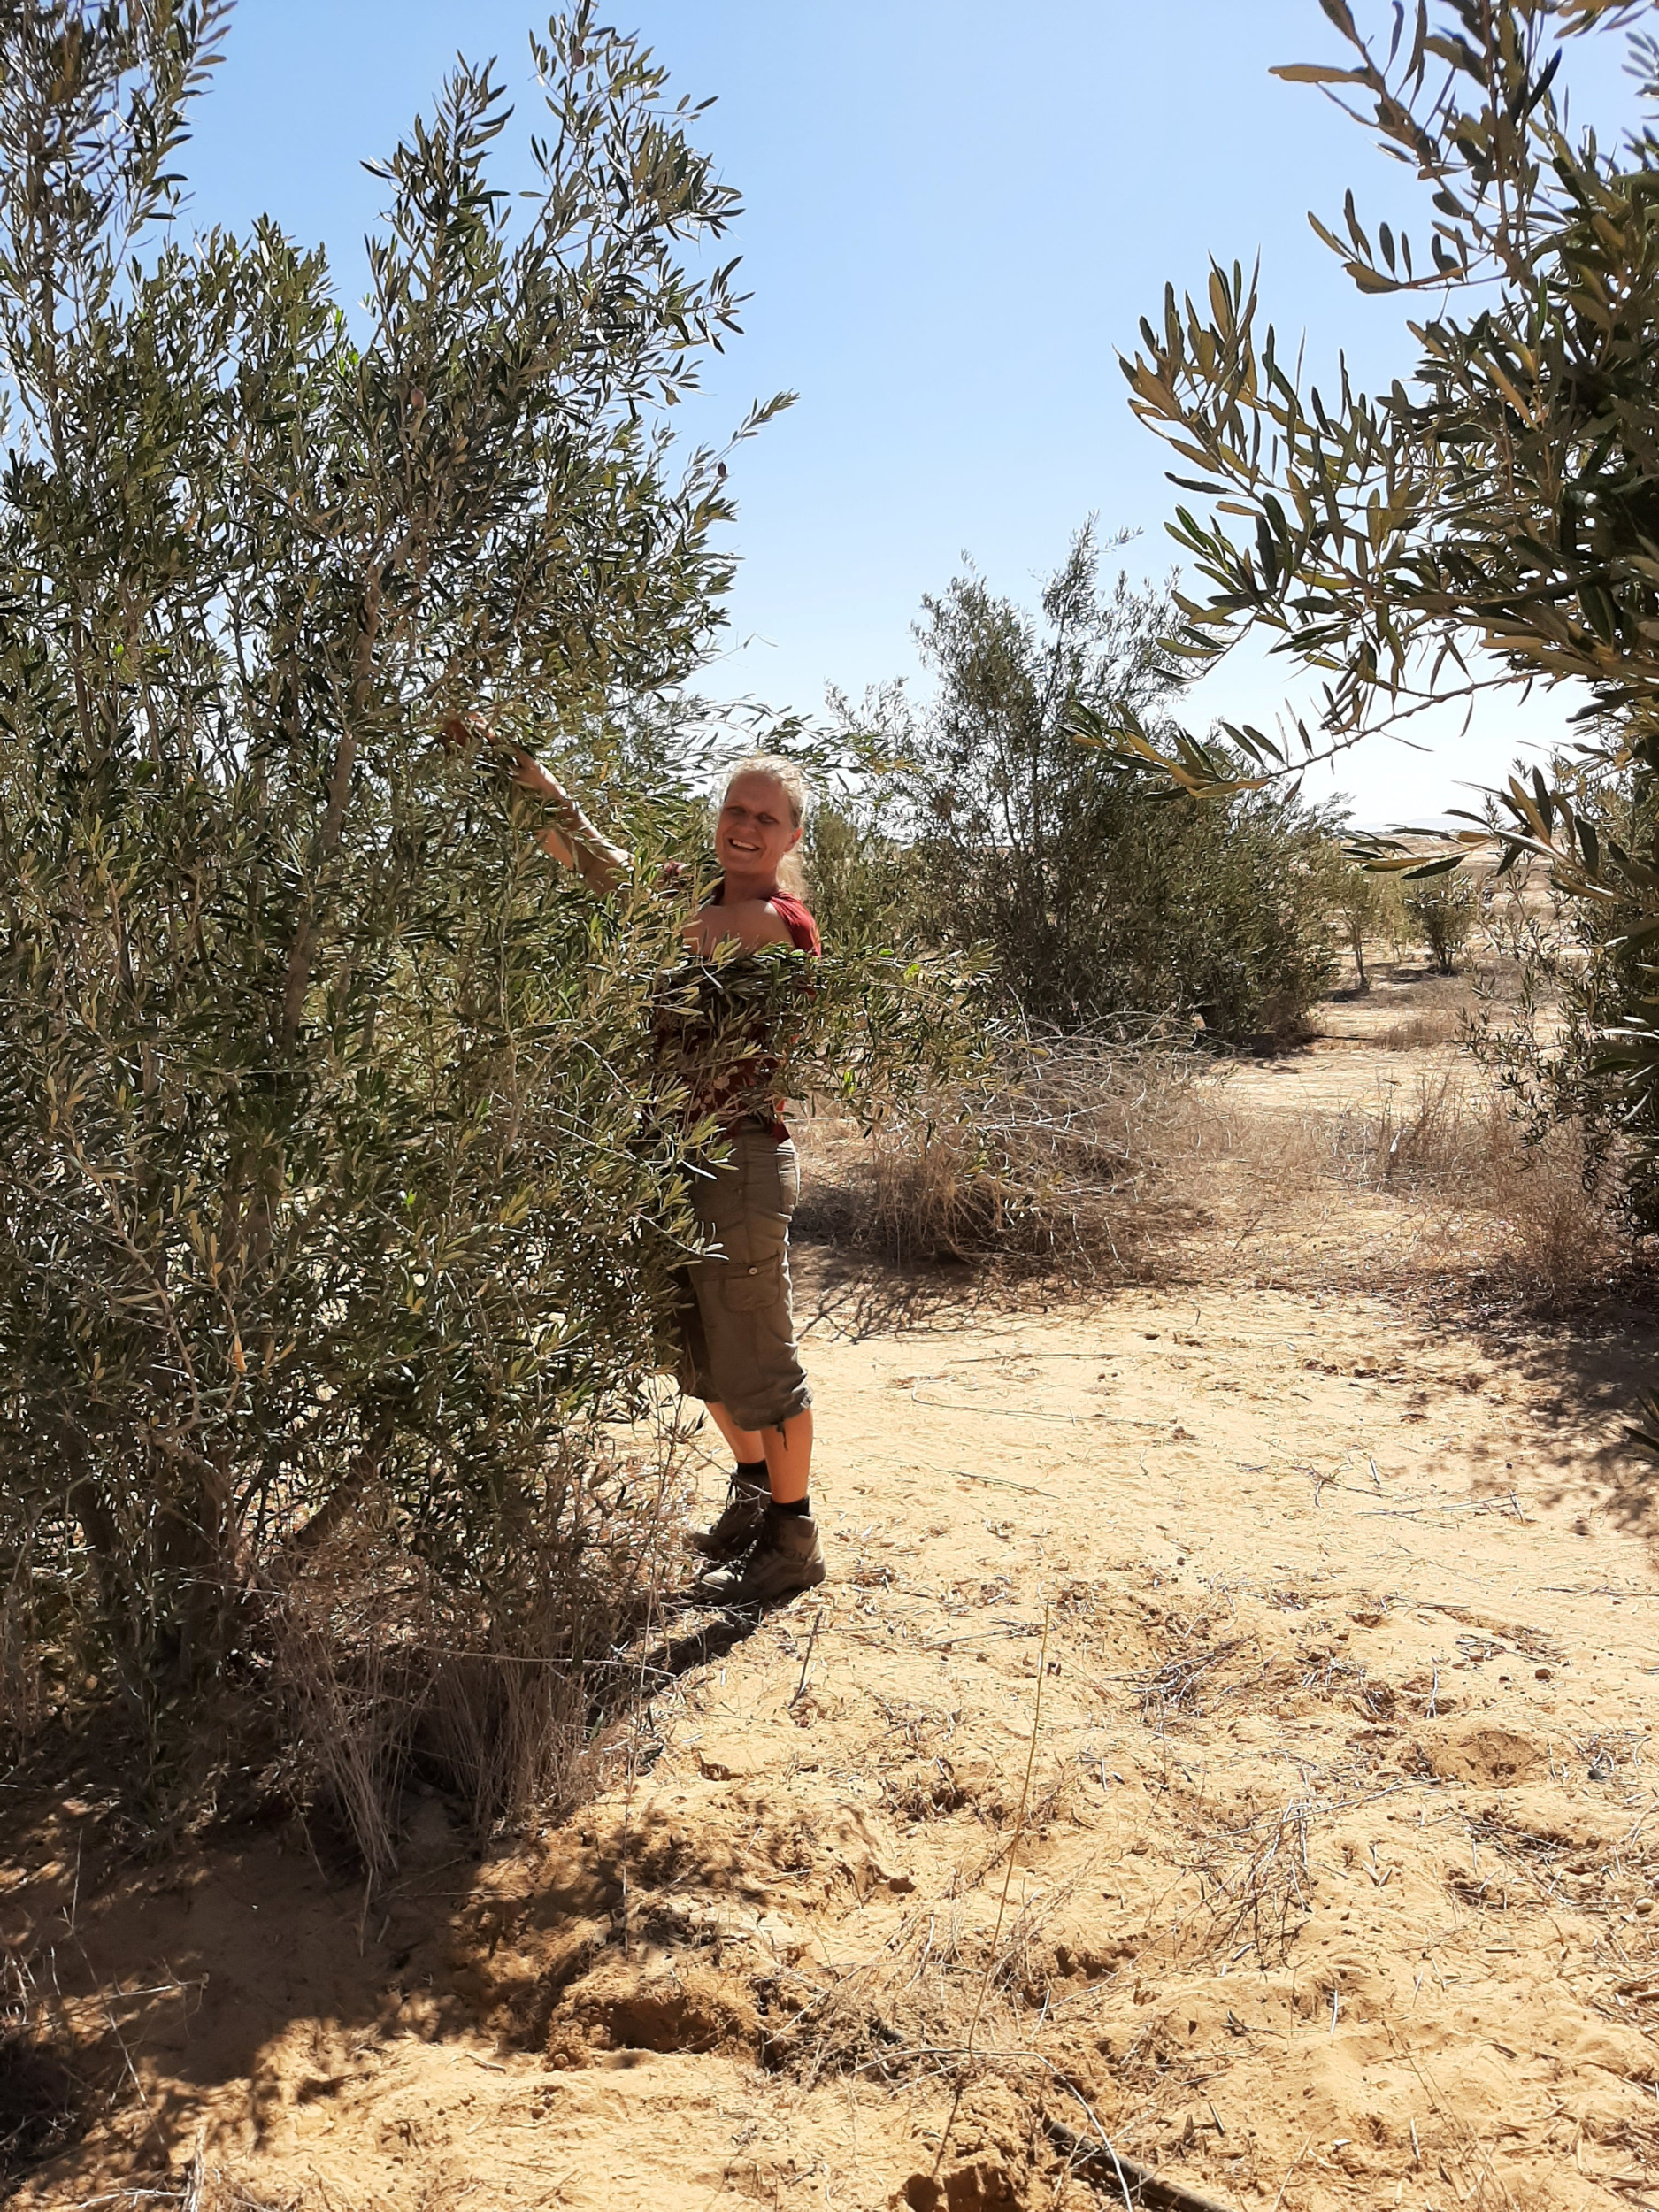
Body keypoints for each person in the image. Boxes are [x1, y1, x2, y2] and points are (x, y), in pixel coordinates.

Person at [448, 720, 826, 1604]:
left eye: (764, 818)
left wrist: (579, 837)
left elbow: (639, 913)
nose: (743, 825)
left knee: (763, 1364)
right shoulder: (704, 897)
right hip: (672, 1162)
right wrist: (529, 781)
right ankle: (756, 1493)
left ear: (792, 838)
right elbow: (601, 869)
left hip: (736, 1165)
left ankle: (795, 1532)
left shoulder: (772, 922)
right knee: (698, 1354)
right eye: (735, 808)